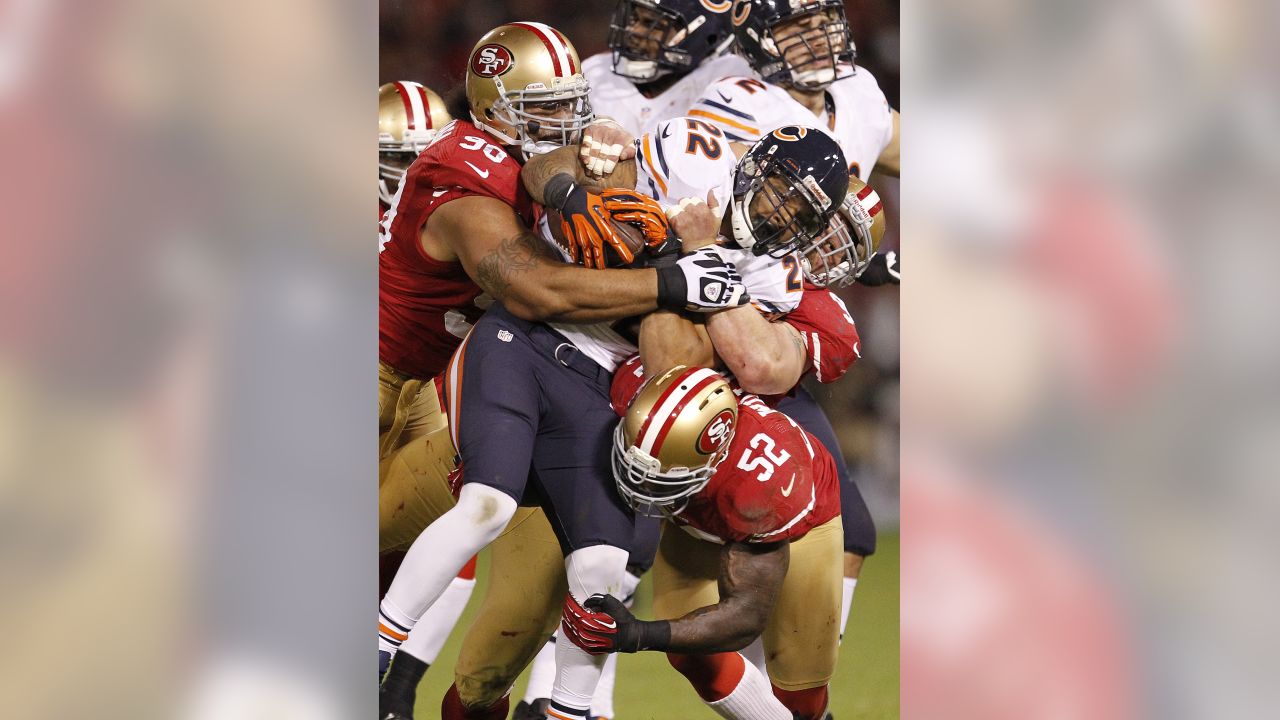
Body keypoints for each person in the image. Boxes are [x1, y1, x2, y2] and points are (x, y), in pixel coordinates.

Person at [376, 21, 751, 720]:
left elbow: (560, 168)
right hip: (381, 366)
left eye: (570, 102)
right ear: (492, 110)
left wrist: (599, 152)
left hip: (440, 373)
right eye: (542, 106)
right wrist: (675, 285)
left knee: (534, 577)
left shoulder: (536, 155)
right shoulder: (463, 174)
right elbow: (535, 290)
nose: (562, 119)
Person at [563, 364, 846, 720]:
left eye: (663, 478)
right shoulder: (632, 386)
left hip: (801, 524)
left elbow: (744, 616)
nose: (640, 486)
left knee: (799, 694)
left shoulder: (761, 492)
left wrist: (639, 634)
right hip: (696, 518)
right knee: (689, 650)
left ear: (713, 459)